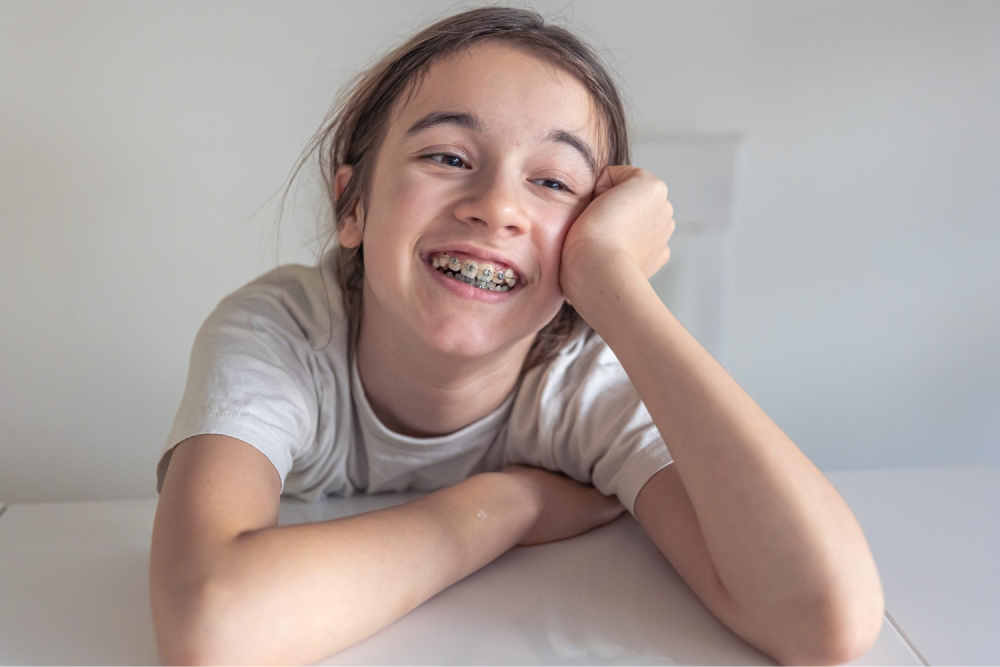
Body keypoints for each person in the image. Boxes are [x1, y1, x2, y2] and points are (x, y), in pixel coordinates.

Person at [149, 6, 884, 667]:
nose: (496, 207)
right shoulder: (279, 336)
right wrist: (508, 507)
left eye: (554, 183)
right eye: (447, 157)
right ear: (352, 203)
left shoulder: (585, 385)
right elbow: (214, 624)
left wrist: (618, 289)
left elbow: (824, 618)